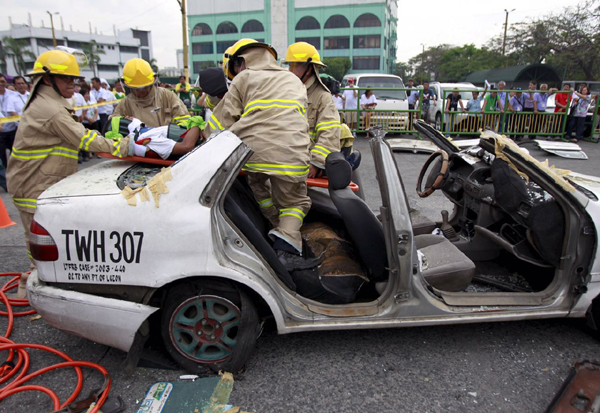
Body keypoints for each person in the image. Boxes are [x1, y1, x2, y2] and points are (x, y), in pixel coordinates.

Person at [6, 50, 143, 298]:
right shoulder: (52, 110)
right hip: (32, 183)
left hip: (41, 179)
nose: (74, 84)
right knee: (37, 239)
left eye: (75, 79)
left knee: (46, 234)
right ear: (47, 80)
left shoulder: (52, 103)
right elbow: (83, 138)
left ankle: (41, 279)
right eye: (67, 79)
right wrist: (124, 146)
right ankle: (35, 286)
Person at [206, 38, 320, 271]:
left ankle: (278, 236)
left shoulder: (243, 78)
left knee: (258, 184)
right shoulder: (293, 80)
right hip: (294, 156)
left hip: (254, 156)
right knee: (295, 202)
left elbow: (220, 124)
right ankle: (285, 235)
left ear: (240, 63)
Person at [284, 42, 341, 178]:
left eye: (294, 65)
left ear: (308, 69)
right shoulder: (285, 92)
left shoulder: (323, 98)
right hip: (284, 163)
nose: (289, 70)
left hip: (306, 167)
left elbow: (330, 134)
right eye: (289, 65)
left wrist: (315, 163)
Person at [111, 58, 192, 129]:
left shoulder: (167, 96)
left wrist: (171, 133)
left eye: (145, 87)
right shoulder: (125, 104)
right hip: (139, 145)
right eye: (137, 89)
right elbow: (113, 126)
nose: (141, 91)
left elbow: (185, 121)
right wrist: (125, 124)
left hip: (169, 144)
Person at [0, 74, 17, 170]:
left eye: (2, 81)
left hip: (12, 130)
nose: (1, 84)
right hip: (0, 132)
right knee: (2, 158)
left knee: (15, 155)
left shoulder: (12, 95)